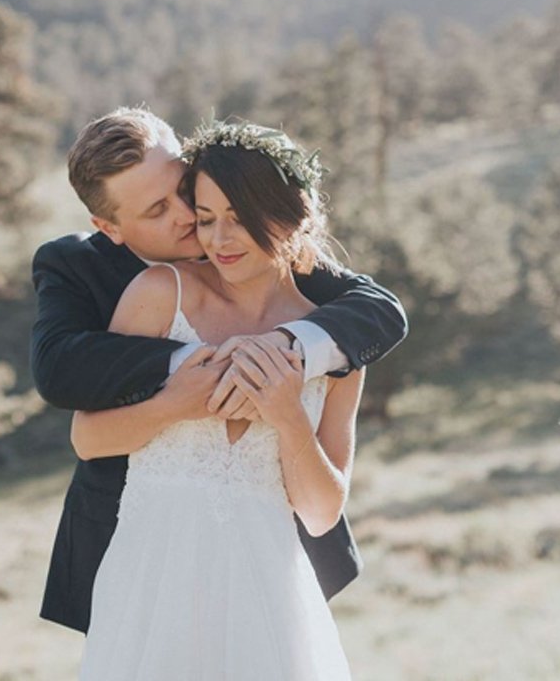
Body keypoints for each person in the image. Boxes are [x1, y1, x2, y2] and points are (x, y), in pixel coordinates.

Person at [30, 106, 408, 636]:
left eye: (183, 189)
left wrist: (285, 352)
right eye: (157, 211)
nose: (190, 218)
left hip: (273, 548)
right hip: (137, 549)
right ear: (109, 227)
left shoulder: (258, 243)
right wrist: (190, 368)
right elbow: (58, 369)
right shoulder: (78, 267)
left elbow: (379, 310)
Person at [74, 119, 359, 678]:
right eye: (205, 219)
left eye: (239, 219)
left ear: (290, 216)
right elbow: (87, 438)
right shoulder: (160, 295)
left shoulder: (334, 346)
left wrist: (286, 416)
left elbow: (323, 514)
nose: (219, 240)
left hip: (268, 595)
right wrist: (178, 402)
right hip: (150, 586)